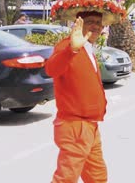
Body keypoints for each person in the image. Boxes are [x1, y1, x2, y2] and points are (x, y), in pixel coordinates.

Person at [46, 11, 108, 183]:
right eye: (90, 21)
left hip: (90, 126)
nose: (96, 26)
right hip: (75, 126)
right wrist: (71, 49)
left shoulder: (88, 48)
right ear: (78, 24)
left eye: (99, 22)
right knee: (66, 178)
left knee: (97, 177)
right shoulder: (68, 46)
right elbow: (51, 69)